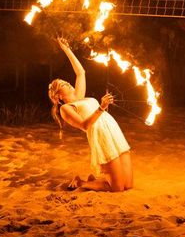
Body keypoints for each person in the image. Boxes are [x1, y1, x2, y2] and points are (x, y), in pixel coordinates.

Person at [47, 37, 133, 192]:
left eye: (65, 81)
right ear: (58, 96)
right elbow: (85, 125)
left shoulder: (79, 97)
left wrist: (66, 48)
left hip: (112, 128)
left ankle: (95, 180)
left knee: (128, 185)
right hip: (100, 135)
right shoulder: (66, 108)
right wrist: (101, 107)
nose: (67, 82)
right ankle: (81, 183)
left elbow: (80, 72)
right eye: (62, 85)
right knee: (118, 188)